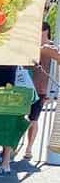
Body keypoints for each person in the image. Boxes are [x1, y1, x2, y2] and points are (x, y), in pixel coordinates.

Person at [20, 22, 60, 162]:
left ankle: (29, 148)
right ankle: (13, 148)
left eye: (41, 30)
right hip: (24, 87)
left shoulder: (51, 46)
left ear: (46, 31)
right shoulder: (29, 44)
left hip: (40, 88)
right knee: (19, 118)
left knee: (33, 119)